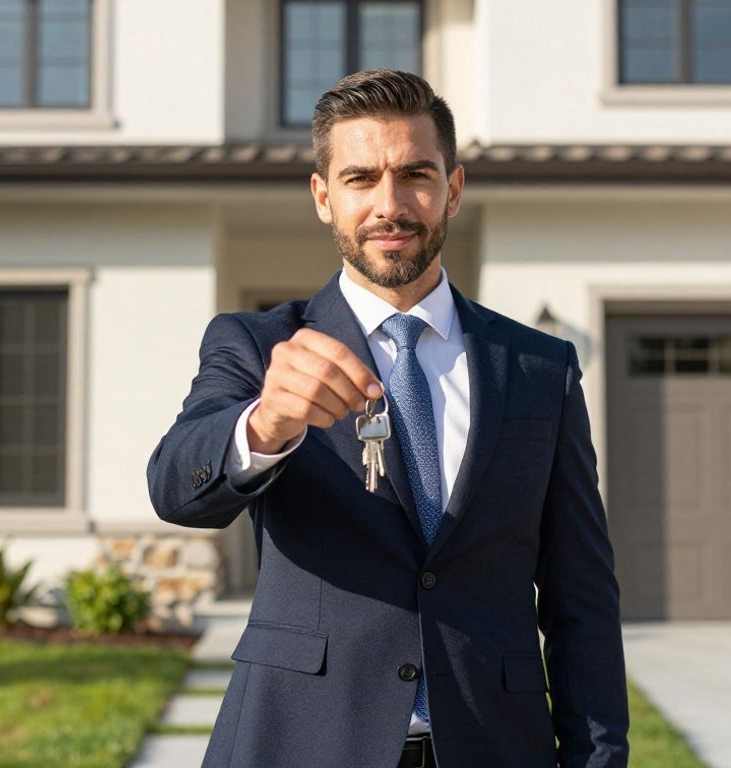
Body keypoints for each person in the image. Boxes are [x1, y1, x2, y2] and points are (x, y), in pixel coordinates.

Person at [147, 69, 628, 768]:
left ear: (453, 189)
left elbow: (581, 597)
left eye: (415, 175)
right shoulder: (258, 346)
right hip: (302, 741)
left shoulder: (538, 369)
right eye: (361, 178)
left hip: (495, 745)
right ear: (323, 197)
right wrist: (263, 424)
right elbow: (174, 487)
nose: (390, 204)